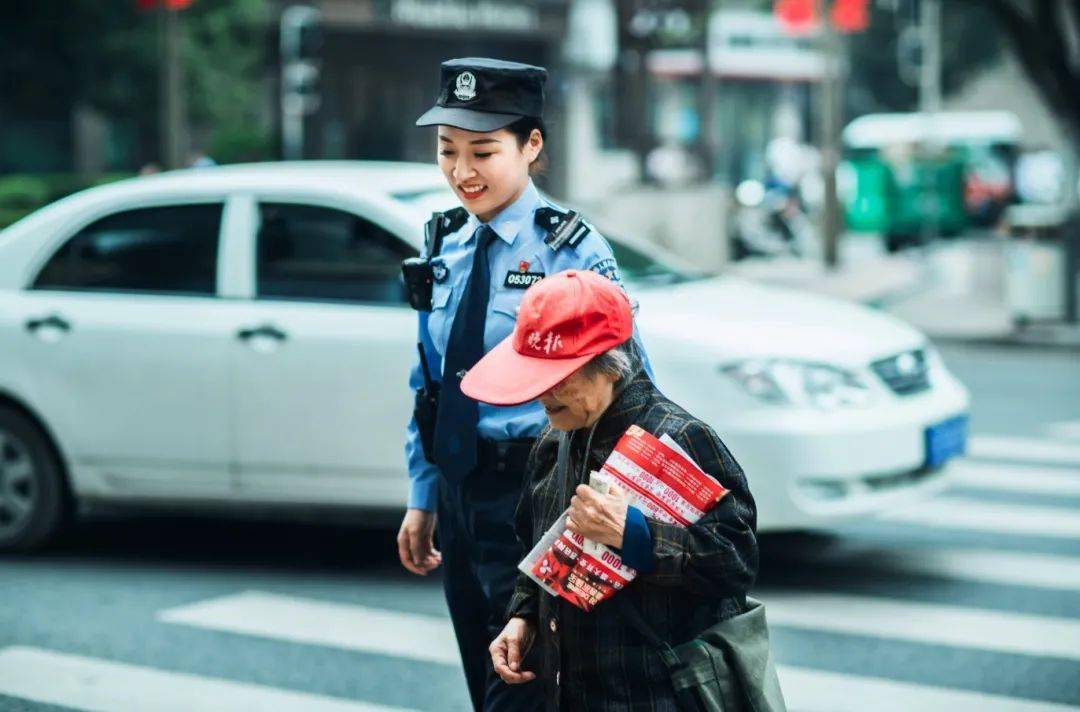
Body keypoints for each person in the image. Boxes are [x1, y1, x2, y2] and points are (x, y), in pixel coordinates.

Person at [398, 58, 647, 712]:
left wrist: (601, 519)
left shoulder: (573, 251)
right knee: (485, 686)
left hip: (538, 496)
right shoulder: (443, 241)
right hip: (459, 494)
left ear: (532, 146)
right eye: (446, 152)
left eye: (483, 151)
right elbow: (429, 380)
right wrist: (425, 494)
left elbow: (629, 388)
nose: (462, 171)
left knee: (525, 690)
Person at [461, 270, 759, 711]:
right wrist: (524, 617)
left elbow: (736, 563)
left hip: (656, 696)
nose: (543, 394)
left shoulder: (680, 437)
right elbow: (537, 547)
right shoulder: (554, 440)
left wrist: (636, 535)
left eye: (560, 376)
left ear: (609, 363)